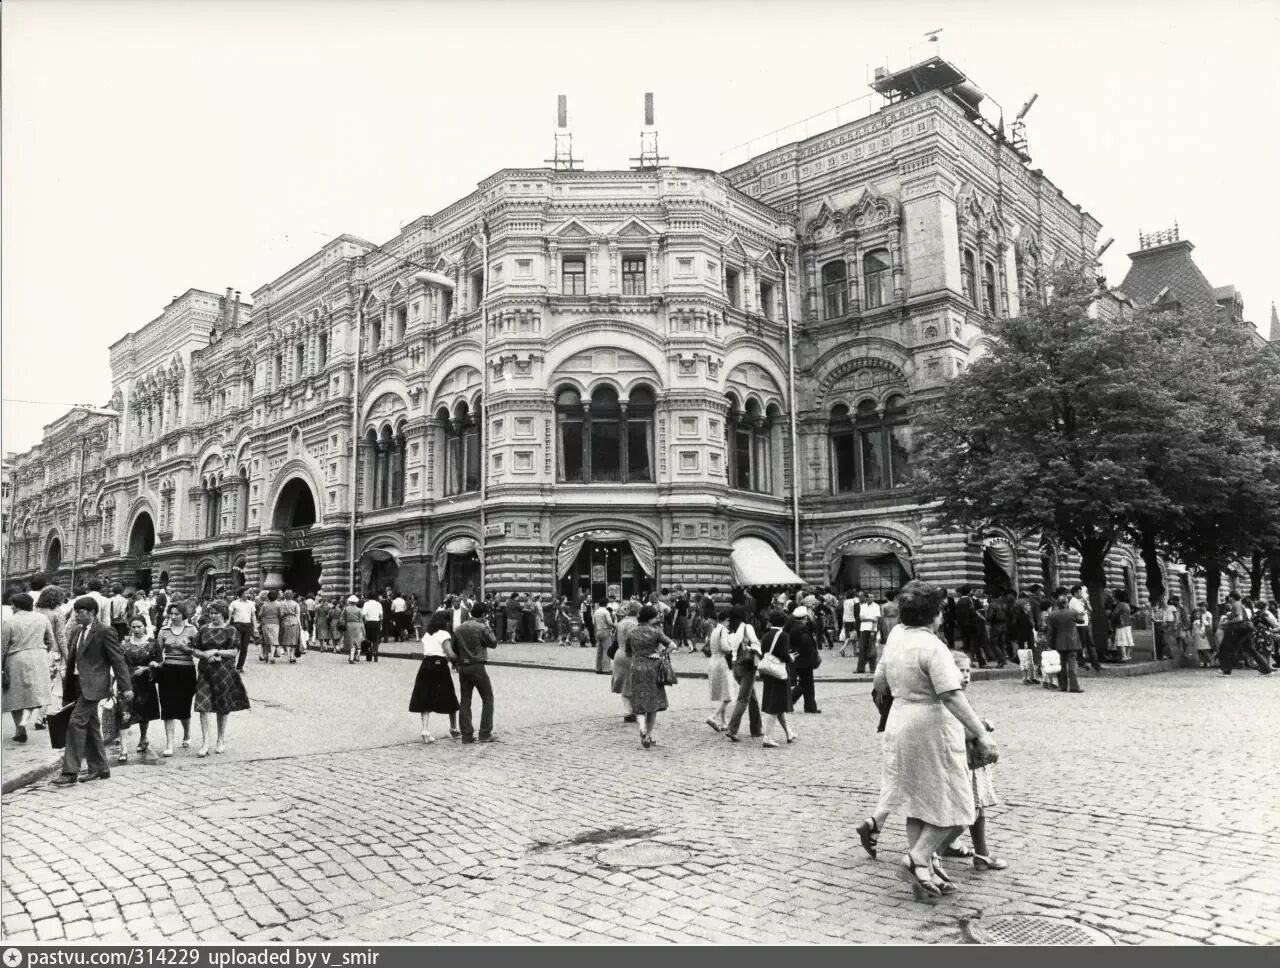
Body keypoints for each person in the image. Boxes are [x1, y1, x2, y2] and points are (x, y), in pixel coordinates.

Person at [865, 580, 997, 900]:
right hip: (932, 725)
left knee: (921, 801)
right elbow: (951, 695)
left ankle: (926, 871)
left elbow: (878, 683)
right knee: (962, 806)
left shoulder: (896, 636)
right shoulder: (933, 646)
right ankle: (918, 859)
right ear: (936, 614)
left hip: (901, 720)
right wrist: (980, 732)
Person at [52, 596, 133, 786]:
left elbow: (118, 660)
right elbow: (72, 662)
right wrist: (67, 692)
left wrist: (126, 686)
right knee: (90, 726)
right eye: (75, 613)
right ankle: (100, 768)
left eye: (79, 613)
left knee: (76, 723)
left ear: (92, 613)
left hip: (95, 686)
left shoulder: (105, 631)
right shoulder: (77, 631)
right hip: (77, 685)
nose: (76, 616)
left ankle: (70, 771)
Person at [944, 652, 1007, 872]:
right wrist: (983, 728)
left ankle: (981, 854)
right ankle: (929, 851)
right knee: (968, 813)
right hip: (963, 764)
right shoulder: (949, 699)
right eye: (960, 671)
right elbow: (956, 732)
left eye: (968, 671)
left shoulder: (960, 697)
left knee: (977, 811)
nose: (966, 675)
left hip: (972, 763)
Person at [190, 601, 251, 756]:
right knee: (203, 706)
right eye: (210, 613)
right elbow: (195, 648)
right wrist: (204, 655)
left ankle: (220, 740)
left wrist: (216, 652)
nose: (212, 616)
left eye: (215, 613)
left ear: (223, 614)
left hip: (224, 672)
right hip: (205, 671)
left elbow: (233, 652)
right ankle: (205, 743)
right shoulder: (203, 629)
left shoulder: (231, 630)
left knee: (222, 706)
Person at [2, 593, 55, 743]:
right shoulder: (42, 619)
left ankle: (19, 728)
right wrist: (42, 651)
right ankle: (25, 720)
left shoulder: (10, 621)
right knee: (35, 694)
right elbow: (50, 640)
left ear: (18, 605)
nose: (11, 607)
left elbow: (3, 646)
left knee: (15, 695)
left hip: (16, 659)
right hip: (39, 657)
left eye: (13, 604)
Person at [112, 615, 163, 763]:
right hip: (126, 682)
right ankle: (124, 749)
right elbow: (118, 663)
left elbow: (160, 662)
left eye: (139, 626)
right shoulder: (124, 644)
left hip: (144, 682)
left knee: (143, 713)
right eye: (133, 627)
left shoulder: (152, 643)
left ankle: (143, 738)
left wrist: (148, 667)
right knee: (124, 714)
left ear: (145, 626)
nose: (136, 630)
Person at [627, 605, 674, 749]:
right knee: (653, 704)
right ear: (651, 618)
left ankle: (642, 728)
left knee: (639, 701)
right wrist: (662, 654)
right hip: (653, 668)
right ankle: (648, 736)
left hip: (636, 667)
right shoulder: (656, 632)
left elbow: (628, 652)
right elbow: (673, 645)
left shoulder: (631, 632)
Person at [410, 612, 460, 743]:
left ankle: (425, 731)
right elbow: (450, 653)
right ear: (444, 622)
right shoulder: (444, 634)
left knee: (425, 697)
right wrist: (457, 661)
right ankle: (454, 728)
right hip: (440, 665)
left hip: (426, 665)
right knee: (449, 695)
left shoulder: (427, 635)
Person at [156, 602, 199, 756]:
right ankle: (169, 743)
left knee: (183, 706)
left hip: (186, 671)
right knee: (167, 706)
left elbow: (198, 651)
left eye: (177, 614)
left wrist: (185, 648)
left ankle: (187, 733)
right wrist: (157, 663)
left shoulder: (192, 630)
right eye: (171, 614)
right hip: (168, 671)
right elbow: (158, 652)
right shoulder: (163, 631)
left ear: (183, 615)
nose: (173, 617)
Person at [453, 602, 499, 743]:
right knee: (488, 698)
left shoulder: (460, 628)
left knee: (465, 700)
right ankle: (485, 733)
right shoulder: (482, 627)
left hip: (463, 667)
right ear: (484, 615)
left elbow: (455, 648)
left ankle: (466, 735)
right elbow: (493, 643)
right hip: (477, 666)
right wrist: (487, 626)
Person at [723, 606, 764, 741]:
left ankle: (756, 729)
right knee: (743, 699)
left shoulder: (732, 630)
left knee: (752, 697)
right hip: (747, 666)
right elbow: (756, 643)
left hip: (735, 667)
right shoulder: (747, 627)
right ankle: (732, 729)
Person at [33, 586, 70, 730]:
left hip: (35, 650)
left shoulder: (35, 610)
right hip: (52, 652)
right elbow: (60, 636)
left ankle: (26, 717)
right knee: (48, 684)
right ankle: (40, 717)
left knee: (35, 683)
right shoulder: (57, 613)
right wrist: (67, 656)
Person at [758, 609, 797, 748]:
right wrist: (790, 657)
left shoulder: (766, 635)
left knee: (778, 705)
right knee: (775, 706)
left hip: (768, 671)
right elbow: (783, 654)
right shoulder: (783, 635)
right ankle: (767, 737)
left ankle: (789, 733)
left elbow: (763, 651)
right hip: (779, 672)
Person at [1046, 593, 1083, 693]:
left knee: (1061, 665)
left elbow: (1050, 631)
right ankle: (1074, 686)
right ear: (1066, 603)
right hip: (1072, 641)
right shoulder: (1072, 613)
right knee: (1071, 664)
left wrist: (1049, 644)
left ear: (1057, 604)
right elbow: (1081, 620)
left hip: (1059, 642)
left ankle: (1062, 686)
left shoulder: (1052, 615)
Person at [787, 606, 821, 714]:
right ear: (804, 617)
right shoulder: (801, 629)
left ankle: (810, 707)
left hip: (800, 659)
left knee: (807, 684)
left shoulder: (794, 627)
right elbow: (807, 643)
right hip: (804, 660)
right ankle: (788, 703)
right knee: (805, 684)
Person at [704, 612, 735, 732]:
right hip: (721, 661)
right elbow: (725, 647)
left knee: (723, 693)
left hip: (712, 661)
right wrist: (732, 647)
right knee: (728, 695)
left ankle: (723, 722)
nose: (729, 623)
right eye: (728, 621)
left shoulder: (715, 630)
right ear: (724, 620)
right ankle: (713, 716)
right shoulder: (724, 631)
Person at [612, 602, 639, 723]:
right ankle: (632, 711)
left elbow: (614, 640)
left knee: (624, 684)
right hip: (630, 656)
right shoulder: (634, 624)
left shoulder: (621, 623)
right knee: (633, 684)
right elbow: (633, 641)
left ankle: (628, 711)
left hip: (619, 654)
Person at [229, 588, 257, 672]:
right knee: (237, 645)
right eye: (246, 593)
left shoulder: (251, 603)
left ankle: (239, 667)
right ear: (240, 594)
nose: (247, 594)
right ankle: (231, 665)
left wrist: (255, 628)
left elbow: (253, 616)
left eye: (248, 593)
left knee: (244, 647)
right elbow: (230, 616)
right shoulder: (234, 603)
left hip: (247, 626)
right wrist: (227, 625)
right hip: (237, 625)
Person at [856, 591, 882, 674]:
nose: (871, 598)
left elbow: (876, 620)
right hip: (863, 629)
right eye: (869, 597)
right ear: (866, 598)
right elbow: (861, 618)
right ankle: (860, 668)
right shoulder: (863, 606)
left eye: (872, 597)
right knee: (862, 649)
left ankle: (873, 668)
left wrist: (872, 631)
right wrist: (870, 619)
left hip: (871, 630)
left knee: (872, 649)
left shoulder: (876, 606)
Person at [339, 596, 366, 664]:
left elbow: (342, 618)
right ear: (356, 602)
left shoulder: (346, 609)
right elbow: (361, 619)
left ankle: (351, 658)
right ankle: (357, 656)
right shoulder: (359, 610)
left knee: (350, 641)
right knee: (357, 641)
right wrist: (363, 629)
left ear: (349, 601)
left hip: (348, 626)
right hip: (357, 625)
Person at [592, 598, 615, 675]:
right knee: (606, 650)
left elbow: (594, 623)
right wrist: (615, 626)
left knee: (599, 651)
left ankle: (598, 668)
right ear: (606, 604)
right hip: (605, 631)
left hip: (598, 631)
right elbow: (609, 622)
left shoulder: (596, 612)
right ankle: (606, 669)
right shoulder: (606, 612)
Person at [259, 590, 282, 663]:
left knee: (267, 639)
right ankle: (271, 656)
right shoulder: (278, 604)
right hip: (275, 623)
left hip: (265, 623)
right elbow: (281, 614)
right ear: (276, 597)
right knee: (274, 639)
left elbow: (260, 614)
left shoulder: (265, 605)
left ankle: (266, 655)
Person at [1111, 590, 1134, 662]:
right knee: (1128, 640)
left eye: (1114, 597)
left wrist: (1111, 618)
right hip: (1128, 624)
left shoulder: (1120, 604)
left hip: (1121, 625)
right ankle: (1128, 655)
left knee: (1121, 641)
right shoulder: (1127, 604)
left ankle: (1123, 656)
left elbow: (1114, 614)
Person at [279, 590, 302, 662]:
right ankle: (292, 656)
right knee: (294, 639)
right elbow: (298, 615)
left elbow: (281, 614)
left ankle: (289, 656)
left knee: (286, 639)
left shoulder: (282, 604)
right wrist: (300, 625)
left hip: (285, 622)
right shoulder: (296, 604)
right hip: (294, 621)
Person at [361, 594, 384, 662]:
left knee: (368, 638)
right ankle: (375, 653)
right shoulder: (379, 604)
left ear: (368, 597)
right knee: (376, 639)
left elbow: (363, 615)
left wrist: (364, 621)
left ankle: (369, 655)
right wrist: (381, 624)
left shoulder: (366, 604)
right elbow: (381, 616)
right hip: (376, 622)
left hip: (368, 623)